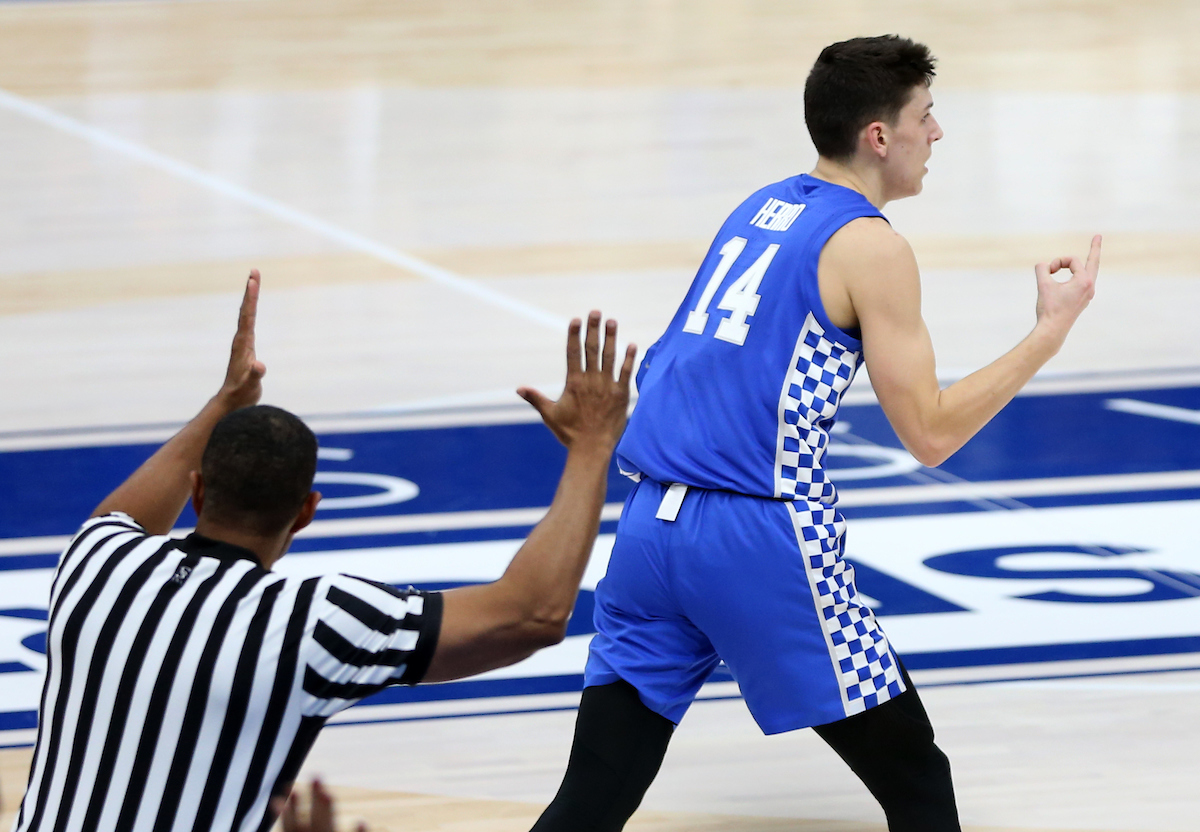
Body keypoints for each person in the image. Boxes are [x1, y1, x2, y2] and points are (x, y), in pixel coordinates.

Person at [530, 35, 1100, 832]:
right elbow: (929, 435)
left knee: (592, 798)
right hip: (756, 538)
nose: (936, 134)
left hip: (648, 536)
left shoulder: (758, 208)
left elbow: (675, 363)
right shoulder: (872, 246)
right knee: (917, 781)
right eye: (925, 117)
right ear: (879, 135)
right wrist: (1048, 334)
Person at [12, 270, 636, 832]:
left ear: (197, 491)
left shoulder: (95, 564)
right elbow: (532, 615)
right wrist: (591, 447)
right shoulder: (312, 621)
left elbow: (122, 517)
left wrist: (225, 402)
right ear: (307, 512)